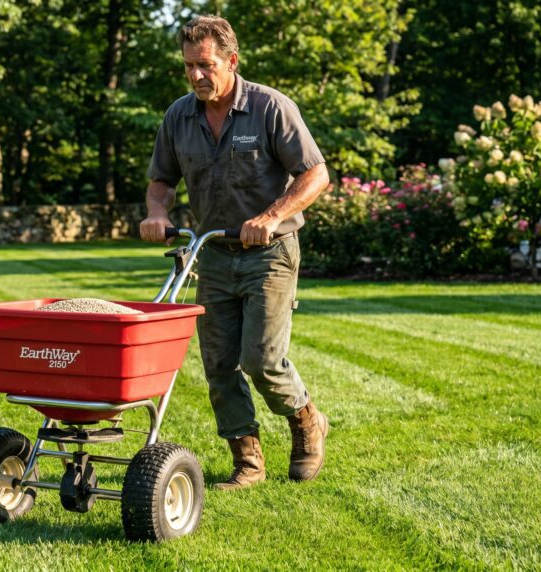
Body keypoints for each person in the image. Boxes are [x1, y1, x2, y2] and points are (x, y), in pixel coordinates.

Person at [139, 15, 331, 489]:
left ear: (232, 61)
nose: (196, 75)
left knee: (262, 360)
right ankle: (248, 461)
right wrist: (157, 212)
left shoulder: (270, 108)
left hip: (271, 253)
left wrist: (270, 216)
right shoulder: (179, 116)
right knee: (219, 364)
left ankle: (307, 420)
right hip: (214, 254)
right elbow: (161, 180)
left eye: (205, 65)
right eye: (189, 66)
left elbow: (315, 175)